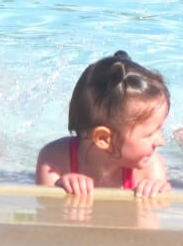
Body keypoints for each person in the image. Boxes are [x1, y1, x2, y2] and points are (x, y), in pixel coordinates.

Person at [35, 50, 171, 198]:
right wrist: (61, 192)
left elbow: (153, 220)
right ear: (103, 139)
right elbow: (47, 216)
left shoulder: (151, 167)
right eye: (150, 134)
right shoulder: (54, 161)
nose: (161, 142)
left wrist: (155, 196)